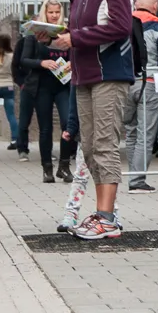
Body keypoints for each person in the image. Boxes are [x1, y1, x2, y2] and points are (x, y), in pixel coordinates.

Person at [51, 0, 134, 240]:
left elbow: (120, 26)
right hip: (84, 74)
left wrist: (74, 37)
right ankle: (102, 214)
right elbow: (80, 29)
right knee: (88, 146)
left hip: (108, 74)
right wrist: (58, 36)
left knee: (104, 144)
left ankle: (107, 217)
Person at [16, 1, 75, 183]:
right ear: (45, 13)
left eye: (57, 12)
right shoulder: (35, 34)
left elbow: (75, 53)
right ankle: (47, 168)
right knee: (46, 128)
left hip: (63, 85)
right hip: (42, 86)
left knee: (68, 123)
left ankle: (64, 166)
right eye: (51, 12)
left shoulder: (66, 32)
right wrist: (42, 63)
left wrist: (73, 63)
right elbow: (23, 59)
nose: (54, 15)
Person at [125, 0, 158, 194]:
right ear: (155, 6)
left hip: (126, 83)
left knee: (130, 131)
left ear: (136, 4)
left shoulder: (124, 25)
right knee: (146, 135)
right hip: (152, 83)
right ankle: (137, 181)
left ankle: (131, 174)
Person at [55, 93, 121, 234]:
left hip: (104, 128)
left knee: (106, 173)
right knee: (81, 175)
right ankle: (71, 214)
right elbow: (74, 100)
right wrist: (71, 126)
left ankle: (112, 214)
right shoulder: (79, 76)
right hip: (85, 132)